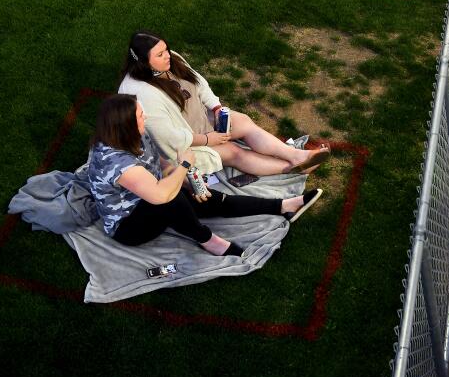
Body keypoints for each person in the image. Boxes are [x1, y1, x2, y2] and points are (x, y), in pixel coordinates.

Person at [87, 94, 323, 256]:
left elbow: (159, 164)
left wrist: (193, 184)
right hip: (129, 225)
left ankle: (282, 206)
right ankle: (209, 240)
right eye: (140, 115)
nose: (145, 117)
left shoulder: (135, 135)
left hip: (154, 194)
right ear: (125, 125)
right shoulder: (116, 163)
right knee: (172, 200)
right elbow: (159, 195)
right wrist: (186, 164)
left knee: (209, 197)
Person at [118, 30, 330, 175]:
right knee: (233, 152)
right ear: (143, 62)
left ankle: (297, 156)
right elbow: (167, 138)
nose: (168, 56)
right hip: (179, 146)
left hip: (199, 122)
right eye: (160, 54)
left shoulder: (171, 60)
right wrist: (208, 139)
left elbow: (198, 83)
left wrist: (216, 108)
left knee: (244, 122)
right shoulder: (141, 92)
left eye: (166, 49)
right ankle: (289, 168)